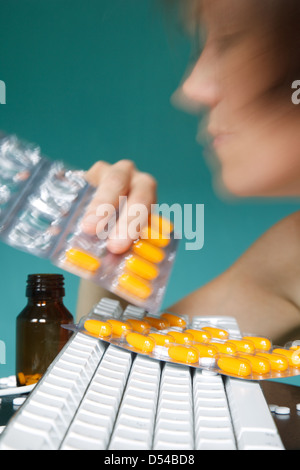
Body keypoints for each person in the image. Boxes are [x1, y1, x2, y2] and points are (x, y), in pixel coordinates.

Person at [77, 0, 300, 345]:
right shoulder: (291, 255)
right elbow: (126, 366)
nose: (191, 90)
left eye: (230, 40)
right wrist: (108, 247)